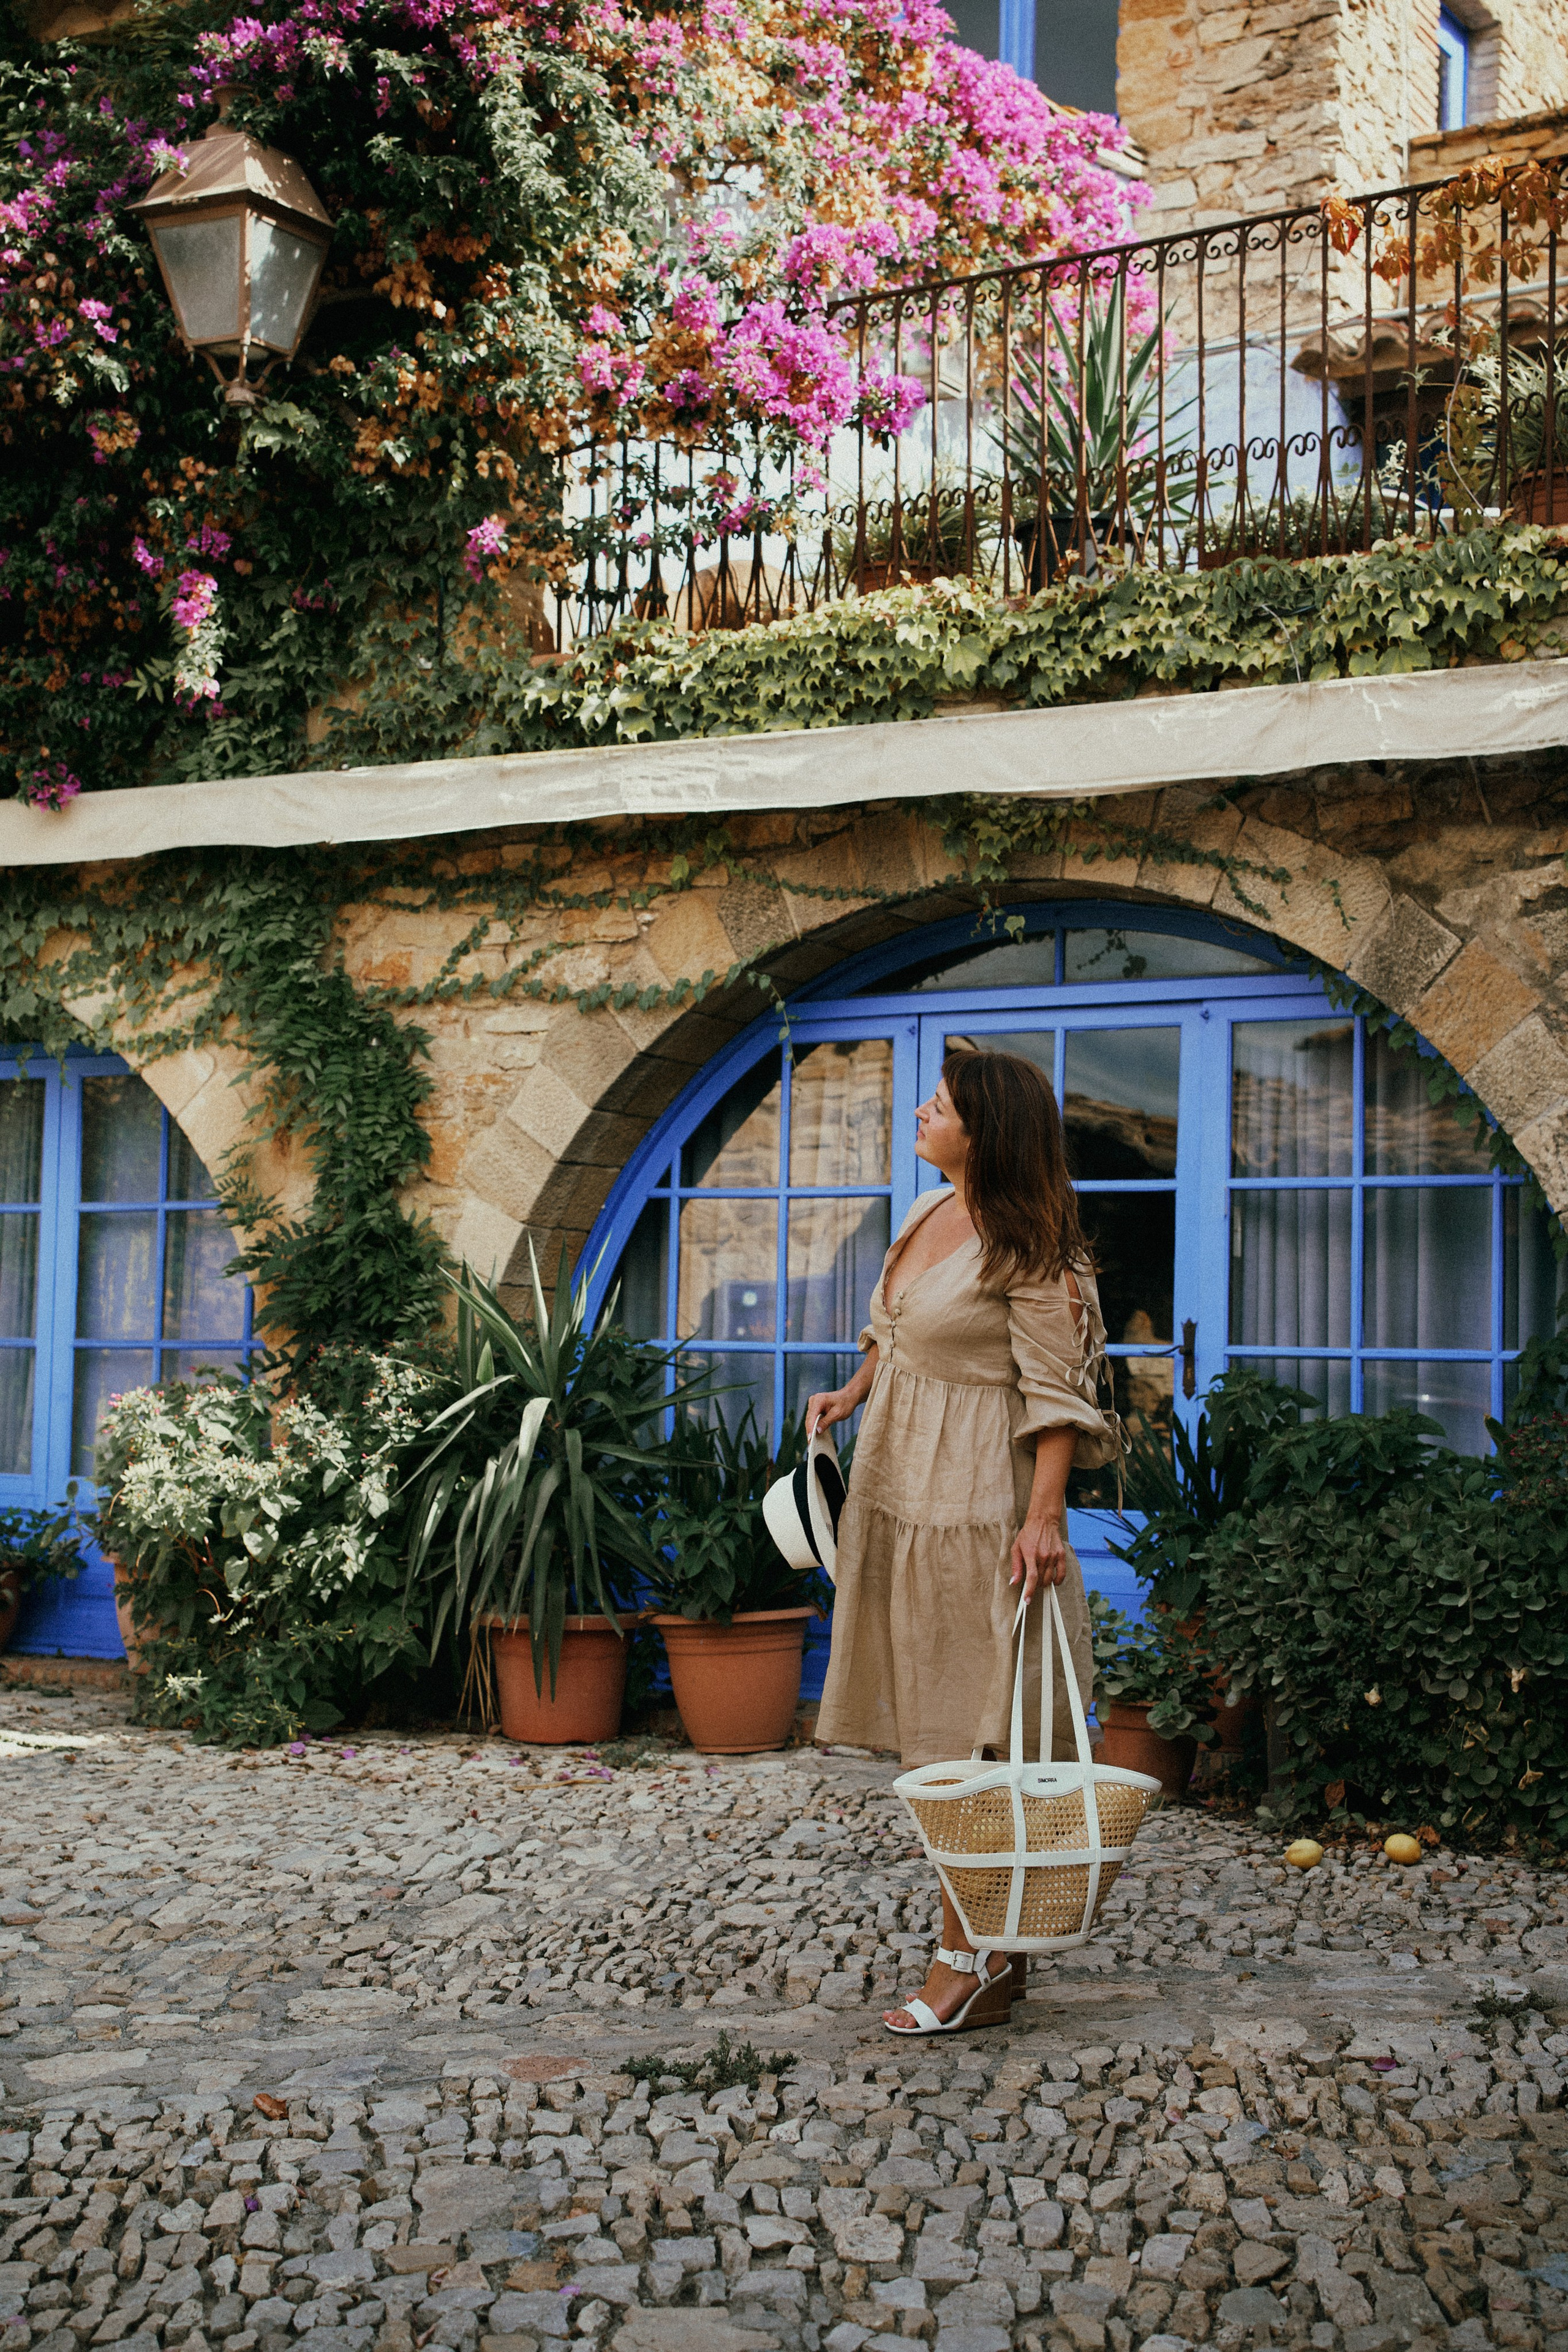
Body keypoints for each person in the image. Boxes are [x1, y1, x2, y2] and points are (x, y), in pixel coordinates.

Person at [807, 1046, 1123, 2037]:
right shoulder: (924, 1211)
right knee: (936, 1728)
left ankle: (968, 1961)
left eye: (939, 1106)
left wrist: (1043, 1518)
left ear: (985, 1135)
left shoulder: (1034, 1249)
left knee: (973, 1738)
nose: (921, 1112)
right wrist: (855, 1389)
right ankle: (998, 1953)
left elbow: (1058, 1395)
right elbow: (897, 1328)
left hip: (979, 1506)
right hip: (901, 1490)